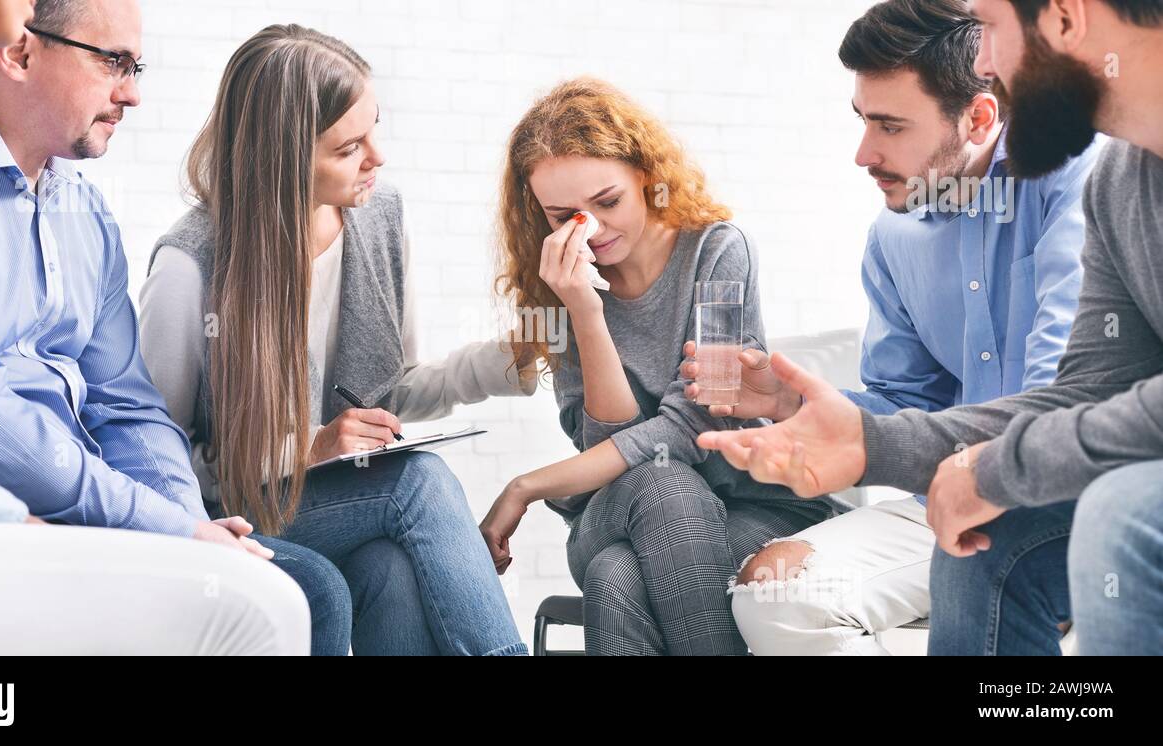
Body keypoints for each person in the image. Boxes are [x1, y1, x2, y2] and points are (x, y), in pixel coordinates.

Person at [698, 0, 1163, 656]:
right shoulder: (1116, 182)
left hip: (1083, 480)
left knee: (1115, 518)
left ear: (1065, 18)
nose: (984, 60)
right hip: (993, 479)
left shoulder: (1073, 178)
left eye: (993, 28)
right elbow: (1081, 393)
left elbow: (1079, 403)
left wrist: (987, 468)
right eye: (863, 122)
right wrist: (837, 426)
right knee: (806, 586)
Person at [0, 0, 308, 656]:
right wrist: (44, 519)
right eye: (113, 63)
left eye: (137, 66)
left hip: (46, 511)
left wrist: (181, 520)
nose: (131, 93)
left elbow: (127, 405)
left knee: (282, 581)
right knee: (268, 605)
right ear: (20, 52)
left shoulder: (84, 208)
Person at [140, 24, 530, 656]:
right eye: (350, 147)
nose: (377, 156)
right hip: (226, 514)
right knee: (417, 482)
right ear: (286, 157)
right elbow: (151, 457)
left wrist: (504, 363)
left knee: (389, 570)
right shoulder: (191, 267)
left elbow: (393, 389)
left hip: (333, 502)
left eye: (375, 127)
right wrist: (308, 448)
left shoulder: (378, 219)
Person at [479, 77, 845, 655]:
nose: (591, 230)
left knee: (616, 578)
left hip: (754, 505)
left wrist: (525, 487)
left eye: (607, 202)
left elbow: (698, 427)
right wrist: (585, 311)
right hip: (621, 507)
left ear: (646, 178)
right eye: (564, 217)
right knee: (658, 486)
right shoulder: (557, 290)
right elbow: (614, 445)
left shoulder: (717, 251)